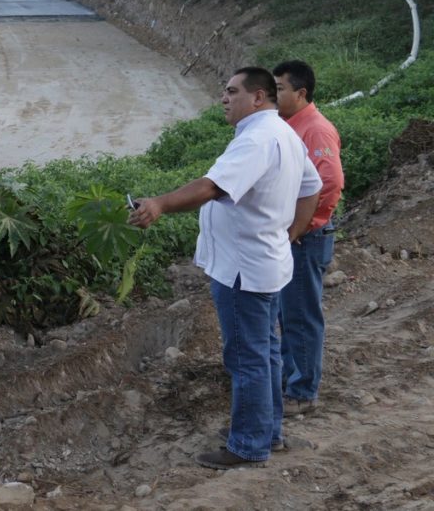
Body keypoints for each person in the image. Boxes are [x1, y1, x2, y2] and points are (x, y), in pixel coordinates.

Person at [128, 67, 321, 470]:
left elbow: (213, 186)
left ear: (258, 98)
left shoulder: (257, 139)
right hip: (265, 264)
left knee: (247, 358)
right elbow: (312, 186)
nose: (223, 98)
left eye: (232, 91)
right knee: (265, 353)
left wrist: (160, 203)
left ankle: (249, 444)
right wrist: (291, 233)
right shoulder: (284, 132)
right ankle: (268, 432)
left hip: (242, 272)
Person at [273, 60, 344, 415]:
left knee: (300, 315)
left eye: (280, 89)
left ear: (301, 94)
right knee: (289, 314)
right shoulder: (289, 126)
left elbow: (329, 182)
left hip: (305, 238)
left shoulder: (314, 129)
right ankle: (292, 381)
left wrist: (302, 226)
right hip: (296, 237)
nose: (274, 94)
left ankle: (301, 393)